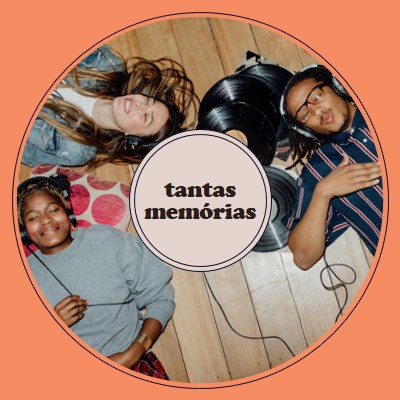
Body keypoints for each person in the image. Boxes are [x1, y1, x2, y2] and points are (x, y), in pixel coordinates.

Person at [17, 174, 175, 379]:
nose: (45, 220)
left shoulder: (105, 239)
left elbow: (161, 298)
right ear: (24, 230)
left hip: (135, 365)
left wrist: (133, 352)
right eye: (33, 217)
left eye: (53, 210)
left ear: (67, 210)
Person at [22, 44, 198, 170]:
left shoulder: (77, 148)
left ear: (133, 140)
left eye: (146, 117)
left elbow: (24, 153)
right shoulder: (106, 65)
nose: (140, 105)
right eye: (148, 101)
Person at [280, 65, 383, 270]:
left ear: (336, 86)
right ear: (307, 130)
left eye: (317, 97)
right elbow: (303, 258)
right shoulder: (320, 171)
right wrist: (323, 192)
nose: (315, 110)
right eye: (304, 115)